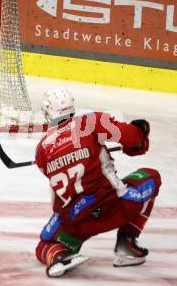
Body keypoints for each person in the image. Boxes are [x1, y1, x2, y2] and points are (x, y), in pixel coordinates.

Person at [34, 88, 161, 277]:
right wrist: (140, 131)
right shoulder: (89, 122)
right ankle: (127, 243)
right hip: (115, 207)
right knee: (152, 176)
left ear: (48, 112)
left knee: (44, 244)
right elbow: (132, 138)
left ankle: (59, 255)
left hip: (76, 221)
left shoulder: (41, 150)